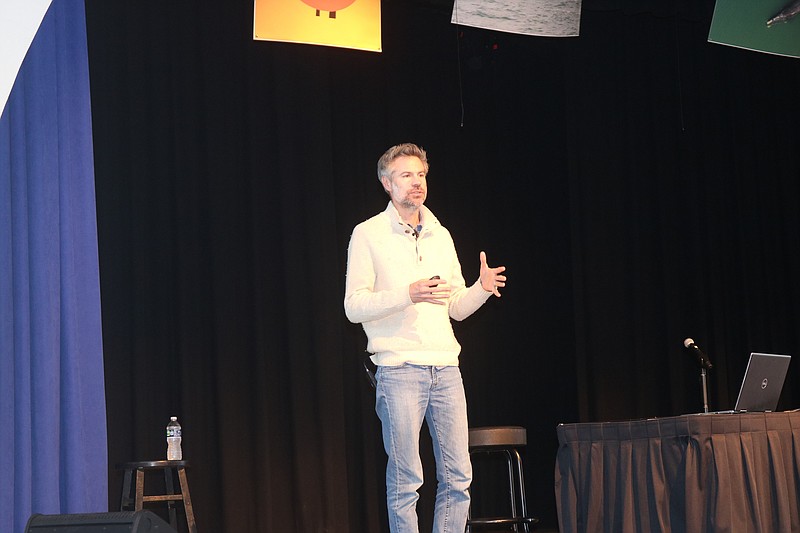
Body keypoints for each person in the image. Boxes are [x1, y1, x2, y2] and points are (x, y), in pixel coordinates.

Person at [344, 143, 507, 533]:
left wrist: (481, 289)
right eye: (405, 175)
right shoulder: (368, 234)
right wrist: (407, 294)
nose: (416, 183)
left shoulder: (440, 234)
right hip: (399, 369)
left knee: (458, 477)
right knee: (406, 480)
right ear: (387, 183)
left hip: (446, 368)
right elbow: (354, 307)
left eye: (420, 175)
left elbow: (454, 306)